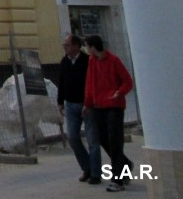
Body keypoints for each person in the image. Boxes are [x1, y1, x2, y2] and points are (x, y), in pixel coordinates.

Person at [83, 35, 134, 192]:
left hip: (114, 106)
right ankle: (125, 164)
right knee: (103, 139)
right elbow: (90, 82)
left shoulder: (114, 61)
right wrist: (88, 103)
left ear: (93, 47)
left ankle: (117, 180)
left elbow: (128, 81)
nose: (86, 49)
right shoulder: (92, 61)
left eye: (87, 46)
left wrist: (119, 92)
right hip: (98, 106)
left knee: (115, 141)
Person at [57, 34, 101, 184]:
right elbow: (61, 81)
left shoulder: (88, 61)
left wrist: (90, 102)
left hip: (87, 105)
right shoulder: (65, 61)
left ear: (76, 46)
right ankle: (86, 167)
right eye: (64, 44)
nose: (65, 46)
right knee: (73, 137)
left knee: (92, 140)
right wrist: (60, 102)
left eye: (67, 44)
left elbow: (94, 82)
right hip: (70, 104)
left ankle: (95, 173)